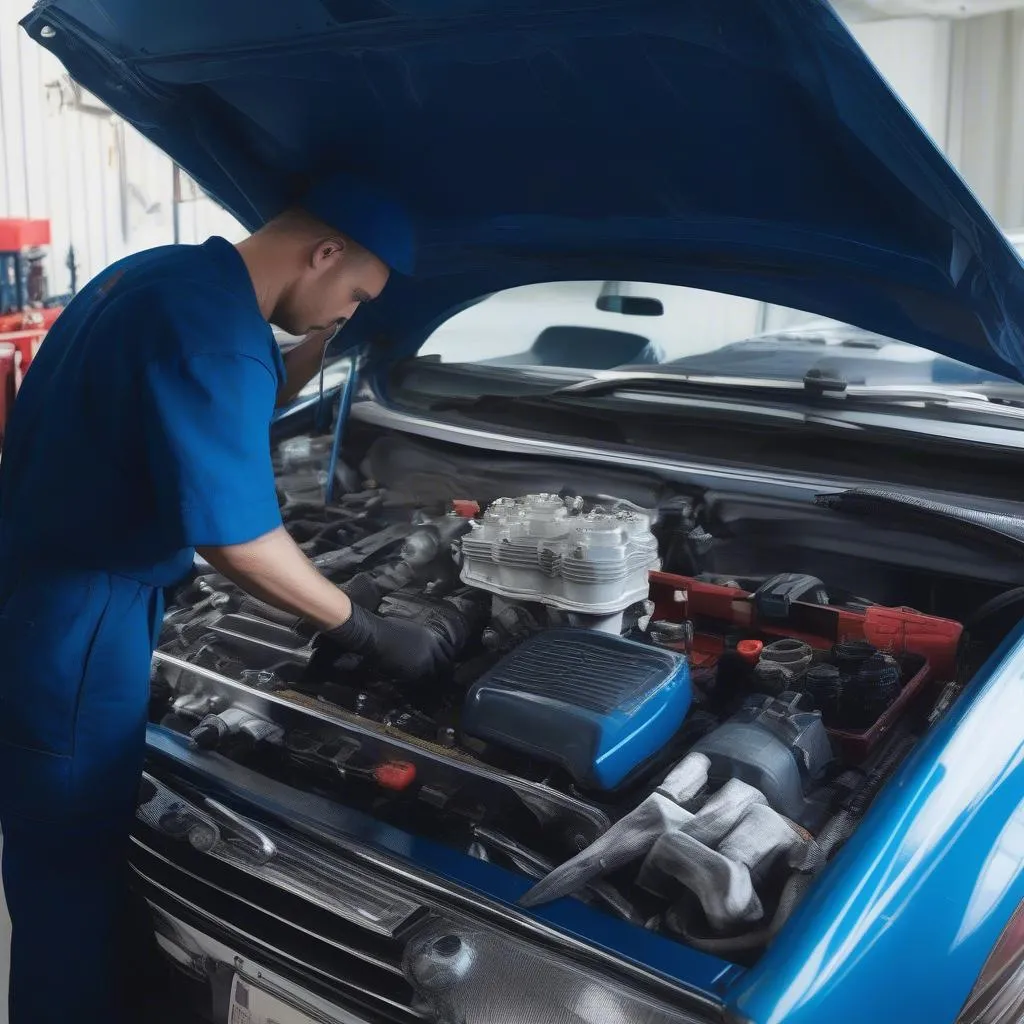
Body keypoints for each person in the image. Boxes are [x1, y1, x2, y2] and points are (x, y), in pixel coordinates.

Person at [0, 173, 452, 1023]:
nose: (346, 310)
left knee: (69, 855)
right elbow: (238, 543)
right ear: (324, 253)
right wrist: (365, 630)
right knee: (67, 871)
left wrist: (328, 338)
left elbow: (218, 392)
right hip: (84, 626)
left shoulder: (155, 276)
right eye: (353, 294)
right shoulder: (217, 336)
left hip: (36, 586)